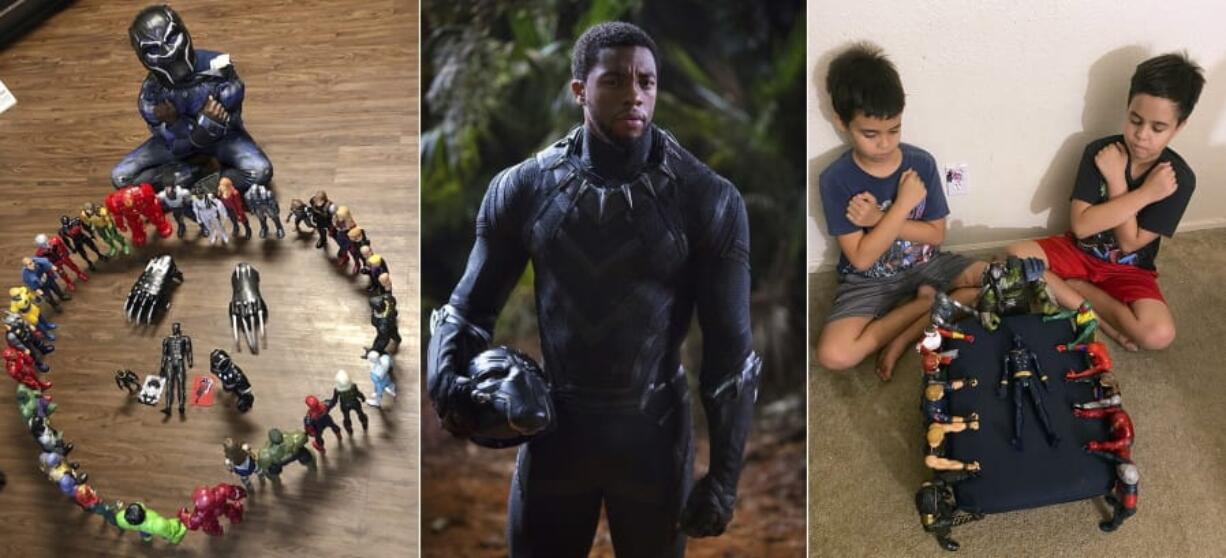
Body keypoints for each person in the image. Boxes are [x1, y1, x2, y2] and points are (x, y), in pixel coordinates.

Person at [426, 21, 759, 557]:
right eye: (615, 81)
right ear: (579, 89)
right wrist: (447, 388)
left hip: (654, 435)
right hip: (557, 432)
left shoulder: (708, 199)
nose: (635, 94)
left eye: (646, 82)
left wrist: (722, 480)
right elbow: (467, 311)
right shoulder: (522, 188)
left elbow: (732, 360)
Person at [1007, 53, 1205, 352]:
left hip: (1129, 269)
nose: (1141, 136)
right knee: (1013, 256)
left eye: (1158, 128)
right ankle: (1099, 321)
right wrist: (1138, 191)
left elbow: (1129, 243)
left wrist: (1123, 185)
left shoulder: (1177, 179)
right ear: (1127, 107)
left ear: (1179, 126)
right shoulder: (1100, 152)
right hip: (1079, 251)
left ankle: (1077, 292)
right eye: (1135, 120)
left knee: (1158, 335)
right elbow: (1083, 226)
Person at [813, 43, 983, 380]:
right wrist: (903, 205)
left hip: (927, 263)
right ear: (842, 122)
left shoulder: (920, 162)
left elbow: (936, 234)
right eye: (870, 134)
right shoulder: (835, 179)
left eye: (894, 130)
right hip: (869, 280)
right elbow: (860, 259)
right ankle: (925, 306)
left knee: (998, 282)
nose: (885, 144)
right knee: (833, 354)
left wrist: (877, 219)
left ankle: (903, 336)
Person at [112, 5, 271, 196]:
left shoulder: (219, 62)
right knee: (120, 177)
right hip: (179, 149)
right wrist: (199, 127)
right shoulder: (150, 93)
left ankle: (198, 181)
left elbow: (229, 115)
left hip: (223, 140)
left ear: (184, 31)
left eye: (171, 38)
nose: (167, 52)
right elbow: (166, 137)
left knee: (260, 171)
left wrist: (179, 124)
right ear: (141, 56)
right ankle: (195, 175)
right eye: (153, 48)